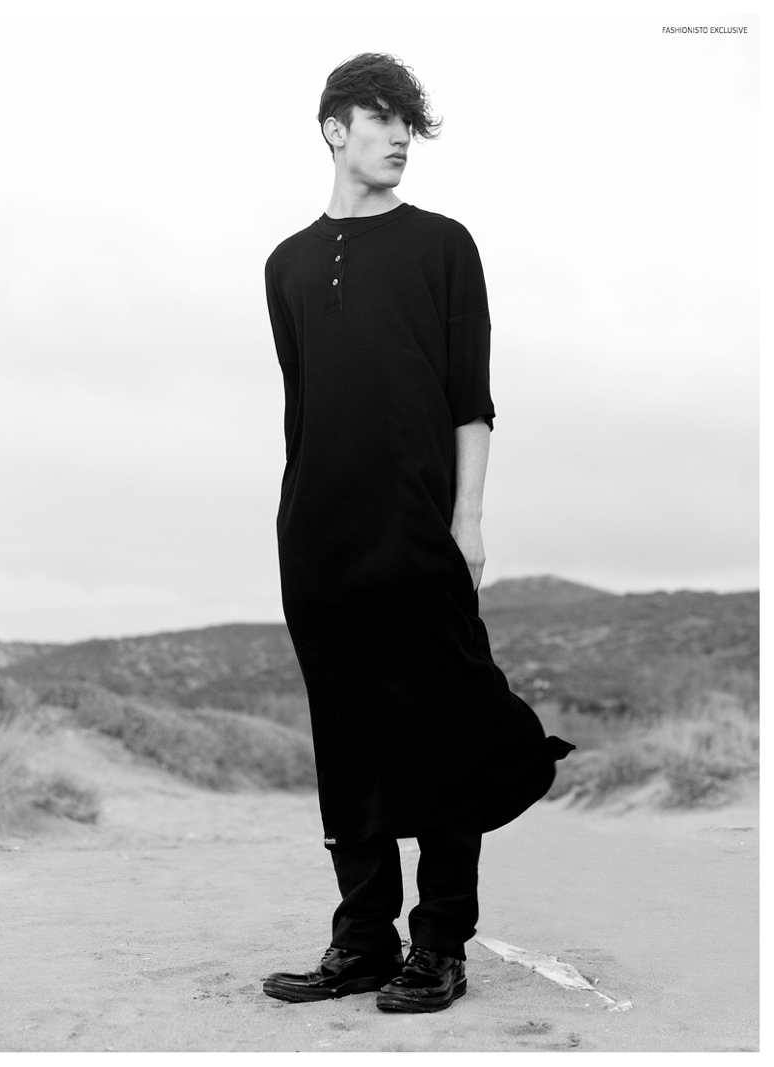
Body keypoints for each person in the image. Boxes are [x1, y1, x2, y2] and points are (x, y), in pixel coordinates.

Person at [262, 53, 574, 1014]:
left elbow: (469, 398)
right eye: (383, 117)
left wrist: (466, 520)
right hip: (318, 533)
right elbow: (304, 408)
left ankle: (438, 944)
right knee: (345, 730)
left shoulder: (444, 245)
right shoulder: (286, 265)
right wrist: (296, 522)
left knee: (440, 728)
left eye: (409, 122)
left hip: (419, 527)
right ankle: (362, 939)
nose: (401, 136)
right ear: (335, 128)